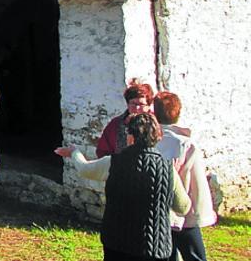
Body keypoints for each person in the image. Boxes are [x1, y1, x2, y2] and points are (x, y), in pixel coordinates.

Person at [56, 113, 191, 261]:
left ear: (131, 137)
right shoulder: (168, 169)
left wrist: (74, 152)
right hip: (154, 247)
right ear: (158, 136)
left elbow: (84, 169)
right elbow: (183, 207)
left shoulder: (113, 163)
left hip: (118, 243)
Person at [154, 91, 217, 261]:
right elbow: (195, 181)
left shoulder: (151, 139)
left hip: (160, 209)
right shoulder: (185, 144)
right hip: (185, 208)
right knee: (195, 256)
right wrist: (199, 212)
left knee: (168, 254)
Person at [96, 78, 155, 157]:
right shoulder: (115, 124)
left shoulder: (156, 125)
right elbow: (102, 152)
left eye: (141, 104)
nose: (137, 108)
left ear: (148, 105)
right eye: (133, 103)